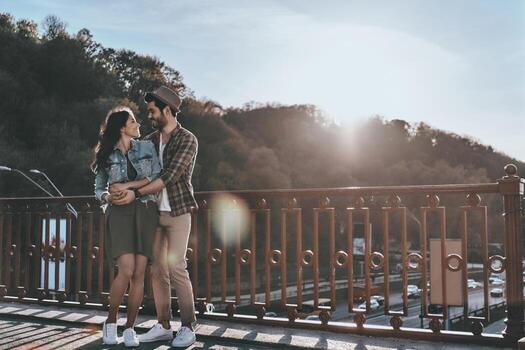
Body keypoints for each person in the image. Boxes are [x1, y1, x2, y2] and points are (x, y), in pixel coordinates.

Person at [110, 86, 198, 347]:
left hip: (178, 211)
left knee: (177, 267)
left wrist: (133, 193)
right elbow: (136, 172)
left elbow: (169, 176)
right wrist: (117, 186)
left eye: (152, 111)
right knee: (157, 270)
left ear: (167, 110)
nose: (148, 115)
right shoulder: (148, 141)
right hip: (153, 213)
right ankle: (162, 325)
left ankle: (189, 327)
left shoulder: (187, 139)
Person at [92, 106, 161, 347]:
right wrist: (108, 198)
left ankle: (130, 327)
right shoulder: (107, 155)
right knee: (127, 270)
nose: (138, 124)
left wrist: (127, 186)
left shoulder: (146, 147)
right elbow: (99, 188)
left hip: (145, 211)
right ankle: (111, 322)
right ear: (122, 127)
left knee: (140, 273)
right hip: (119, 213)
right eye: (133, 121)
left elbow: (154, 176)